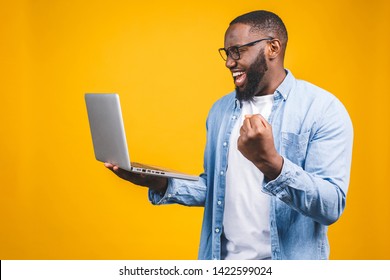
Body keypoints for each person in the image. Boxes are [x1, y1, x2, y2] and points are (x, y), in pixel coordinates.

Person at [105, 10, 353, 260]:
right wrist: (159, 182)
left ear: (273, 48)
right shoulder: (221, 110)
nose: (228, 62)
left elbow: (331, 206)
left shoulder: (322, 109)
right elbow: (217, 190)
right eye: (226, 53)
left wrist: (271, 163)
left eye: (237, 51)